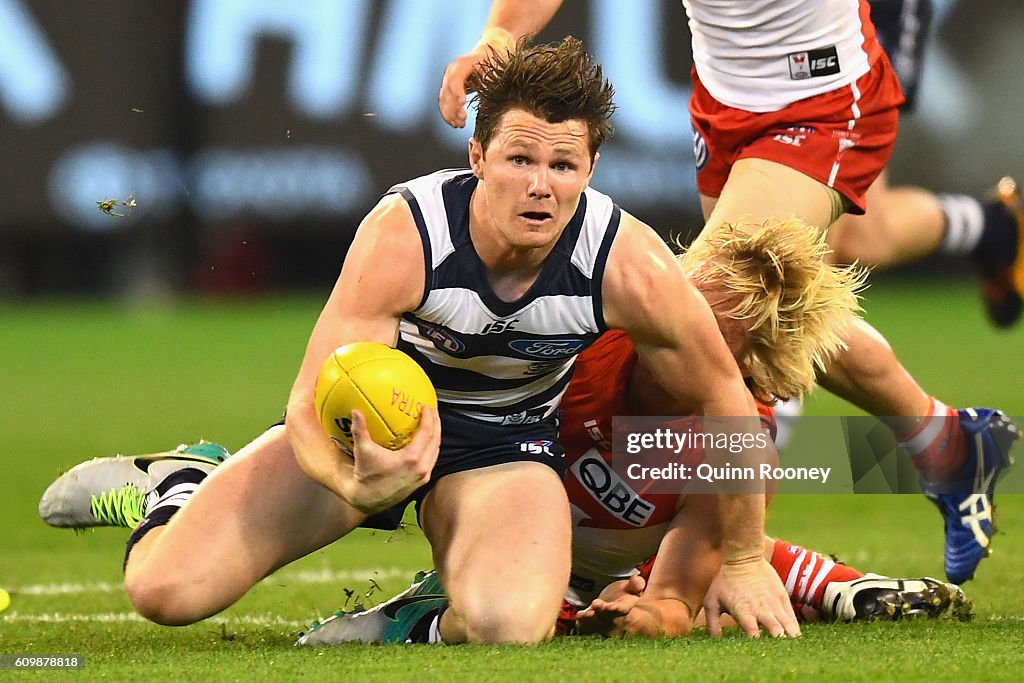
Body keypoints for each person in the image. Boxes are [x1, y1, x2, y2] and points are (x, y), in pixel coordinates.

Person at [38, 38, 797, 643]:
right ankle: (176, 482)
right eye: (520, 159)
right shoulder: (407, 233)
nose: (541, 185)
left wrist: (744, 556)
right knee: (165, 592)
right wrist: (351, 479)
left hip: (506, 449)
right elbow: (310, 395)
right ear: (477, 158)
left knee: (508, 628)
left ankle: (410, 622)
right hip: (372, 427)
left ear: (591, 169)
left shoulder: (625, 261)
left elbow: (725, 393)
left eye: (563, 165)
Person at [435, 0, 1019, 588]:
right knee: (757, 314)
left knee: (703, 319)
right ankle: (947, 442)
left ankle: (702, 559)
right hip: (724, 98)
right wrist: (499, 36)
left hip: (822, 100)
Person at [294, 221, 969, 645]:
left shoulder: (735, 444)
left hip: (593, 554)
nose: (676, 318)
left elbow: (675, 596)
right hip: (474, 487)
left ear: (749, 373)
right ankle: (836, 584)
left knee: (691, 558)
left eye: (709, 324)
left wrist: (647, 613)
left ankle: (846, 575)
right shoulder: (589, 332)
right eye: (685, 296)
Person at [826, 0, 1024, 328]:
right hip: (782, 25)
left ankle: (758, 375)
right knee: (864, 239)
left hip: (855, 19)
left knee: (809, 253)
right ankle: (991, 226)